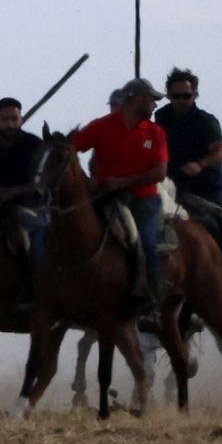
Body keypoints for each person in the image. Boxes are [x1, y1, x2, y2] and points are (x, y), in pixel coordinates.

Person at [72, 78, 170, 310]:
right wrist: (87, 183)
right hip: (106, 197)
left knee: (147, 242)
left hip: (143, 200)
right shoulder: (101, 126)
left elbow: (159, 172)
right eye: (150, 99)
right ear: (133, 99)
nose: (154, 105)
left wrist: (122, 182)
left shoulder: (155, 133)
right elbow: (70, 149)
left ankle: (152, 301)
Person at [153, 68, 222, 309]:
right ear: (169, 96)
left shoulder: (206, 121)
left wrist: (200, 164)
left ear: (195, 94)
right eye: (176, 96)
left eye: (187, 96)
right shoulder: (161, 117)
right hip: (171, 185)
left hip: (205, 187)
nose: (182, 101)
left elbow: (221, 151)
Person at [0, 97, 45, 264]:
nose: (10, 124)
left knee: (37, 250)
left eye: (14, 119)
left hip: (34, 208)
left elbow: (45, 182)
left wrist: (14, 191)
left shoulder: (34, 144)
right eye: (5, 120)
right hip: (2, 208)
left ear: (21, 119)